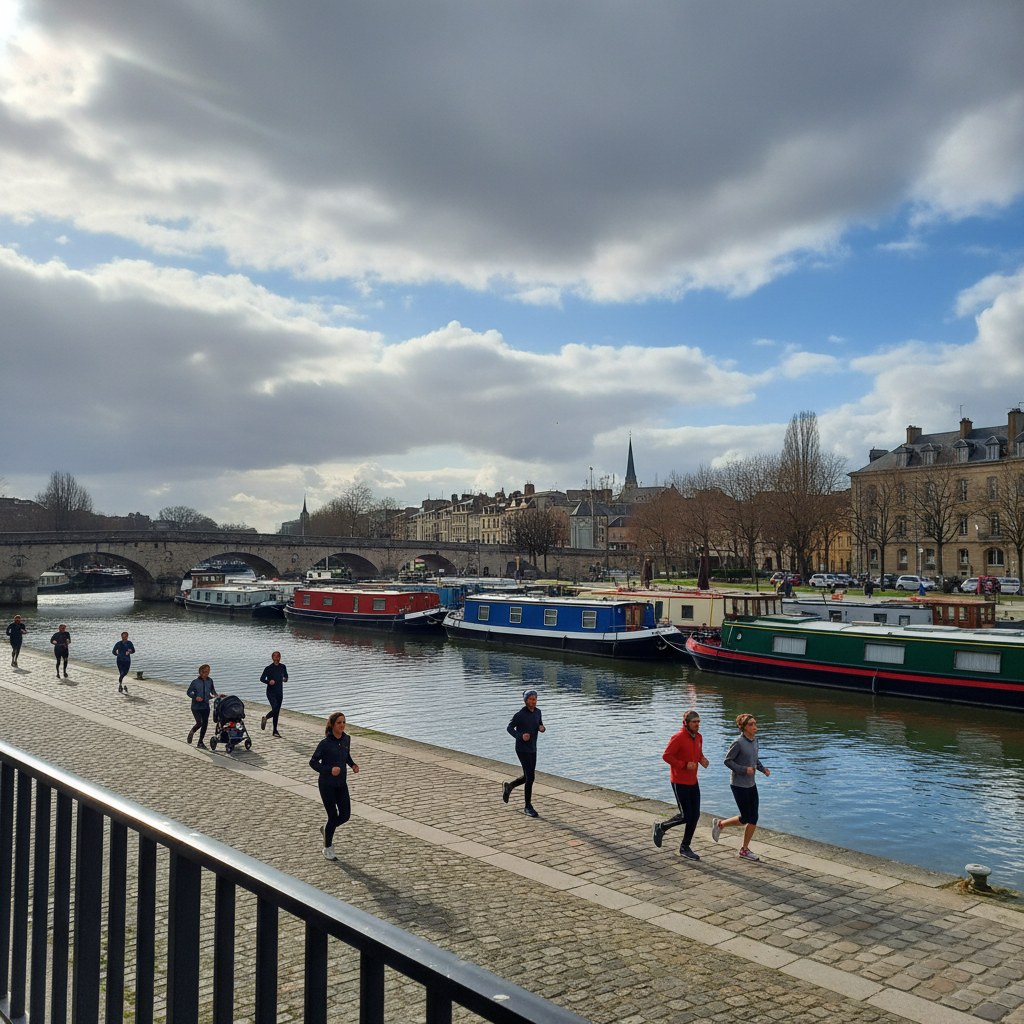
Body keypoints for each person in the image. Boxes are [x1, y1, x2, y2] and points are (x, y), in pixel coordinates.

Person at [712, 713, 770, 861]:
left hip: (751, 784)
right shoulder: (738, 743)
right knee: (746, 818)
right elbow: (728, 761)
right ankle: (721, 825)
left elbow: (755, 760)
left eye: (755, 723)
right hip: (738, 784)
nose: (754, 726)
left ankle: (744, 849)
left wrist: (763, 769)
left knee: (754, 817)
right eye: (751, 724)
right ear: (743, 727)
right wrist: (744, 770)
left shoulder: (755, 741)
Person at [652, 709, 710, 860]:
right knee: (686, 815)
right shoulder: (678, 737)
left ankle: (685, 847)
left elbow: (698, 753)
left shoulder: (699, 737)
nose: (697, 724)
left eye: (698, 722)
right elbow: (666, 756)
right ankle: (661, 827)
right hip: (679, 781)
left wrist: (702, 759)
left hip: (693, 781)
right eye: (694, 722)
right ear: (686, 723)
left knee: (695, 815)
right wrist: (683, 765)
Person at [308, 712, 359, 861]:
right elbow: (313, 762)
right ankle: (327, 847)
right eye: (339, 723)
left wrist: (353, 765)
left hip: (341, 783)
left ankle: (326, 829)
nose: (342, 725)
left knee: (345, 815)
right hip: (326, 785)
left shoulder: (346, 739)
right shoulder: (325, 744)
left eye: (344, 722)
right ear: (332, 725)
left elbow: (346, 756)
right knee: (332, 816)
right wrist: (329, 770)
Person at [502, 688, 545, 818]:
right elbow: (509, 728)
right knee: (530, 778)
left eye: (535, 699)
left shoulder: (538, 712)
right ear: (526, 700)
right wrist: (520, 736)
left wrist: (542, 728)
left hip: (533, 748)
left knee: (527, 777)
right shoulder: (520, 714)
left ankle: (509, 786)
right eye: (531, 699)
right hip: (522, 749)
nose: (534, 701)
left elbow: (540, 724)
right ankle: (528, 806)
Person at [186, 664, 218, 749]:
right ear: (200, 672)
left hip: (205, 706)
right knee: (199, 723)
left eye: (208, 672)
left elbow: (212, 691)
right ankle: (192, 732)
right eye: (204, 672)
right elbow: (189, 692)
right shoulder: (195, 682)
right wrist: (195, 697)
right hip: (196, 707)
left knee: (205, 724)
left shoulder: (210, 681)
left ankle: (200, 742)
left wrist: (216, 695)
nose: (206, 674)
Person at [260, 650, 288, 737]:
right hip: (271, 692)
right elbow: (261, 679)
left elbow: (286, 676)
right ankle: (266, 718)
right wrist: (269, 681)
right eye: (275, 656)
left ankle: (275, 731)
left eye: (278, 656)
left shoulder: (283, 667)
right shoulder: (268, 668)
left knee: (277, 711)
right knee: (275, 708)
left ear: (280, 657)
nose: (277, 658)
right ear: (272, 658)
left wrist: (285, 679)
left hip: (279, 692)